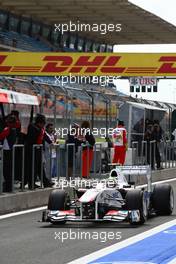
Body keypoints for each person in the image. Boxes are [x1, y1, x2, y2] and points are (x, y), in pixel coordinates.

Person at [24, 114, 54, 189]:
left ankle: (45, 182)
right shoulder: (32, 127)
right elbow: (31, 139)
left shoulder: (40, 129)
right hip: (31, 151)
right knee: (32, 167)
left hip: (38, 150)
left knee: (40, 167)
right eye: (43, 123)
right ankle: (31, 183)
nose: (43, 125)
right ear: (39, 122)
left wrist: (50, 142)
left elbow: (44, 136)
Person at [0, 115, 17, 192]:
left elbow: (1, 136)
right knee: (9, 170)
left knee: (6, 170)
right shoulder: (14, 129)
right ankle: (9, 186)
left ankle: (7, 187)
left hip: (7, 151)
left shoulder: (8, 129)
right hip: (10, 151)